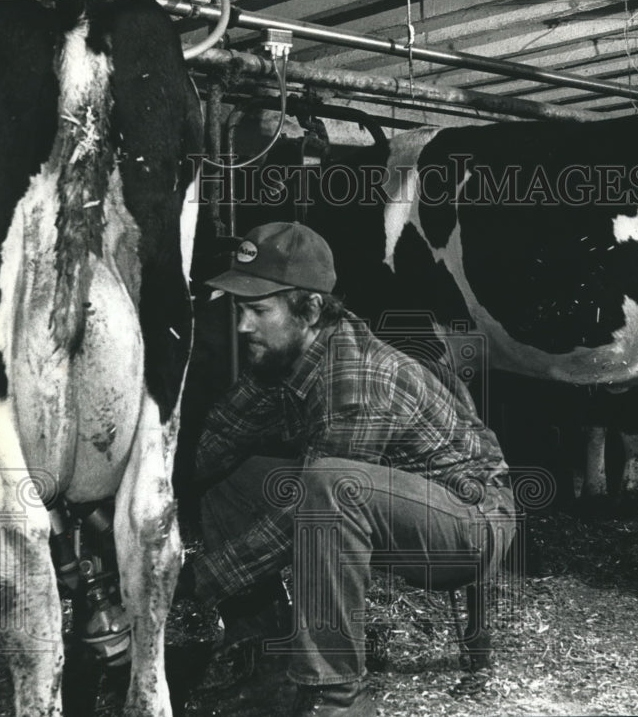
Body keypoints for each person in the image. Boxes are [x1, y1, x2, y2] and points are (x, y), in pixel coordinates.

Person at [177, 221, 515, 717]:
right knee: (233, 479)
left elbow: (304, 520)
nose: (242, 325)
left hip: (469, 524)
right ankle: (266, 659)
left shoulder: (355, 379)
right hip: (394, 506)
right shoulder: (283, 352)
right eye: (238, 308)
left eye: (258, 310)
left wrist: (188, 584)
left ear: (310, 308)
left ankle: (336, 699)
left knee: (330, 486)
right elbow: (216, 442)